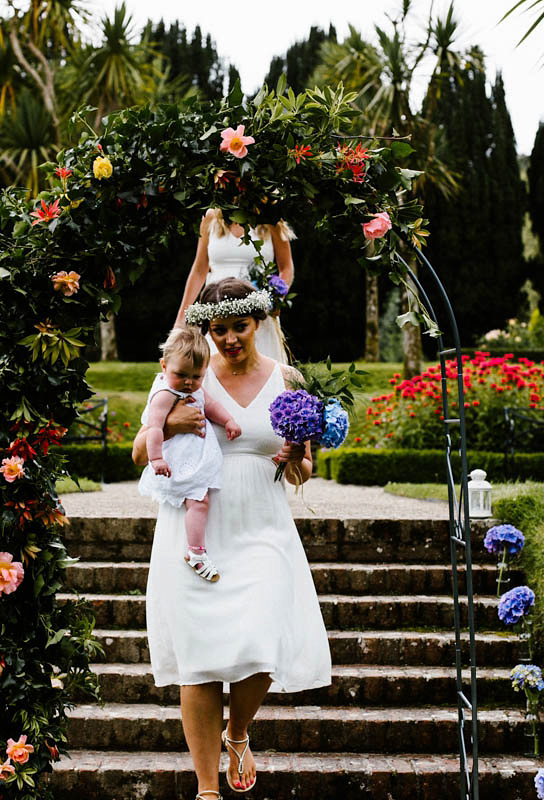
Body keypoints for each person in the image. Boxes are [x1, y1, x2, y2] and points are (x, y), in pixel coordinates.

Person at [133, 278, 330, 800]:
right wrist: (171, 424)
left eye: (239, 327)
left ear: (258, 323)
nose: (229, 339)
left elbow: (304, 470)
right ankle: (205, 788)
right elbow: (139, 452)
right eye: (218, 329)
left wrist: (296, 460)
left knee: (262, 639)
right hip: (196, 528)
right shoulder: (188, 373)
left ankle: (237, 732)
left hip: (262, 524)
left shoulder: (287, 378)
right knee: (198, 661)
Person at [137, 326, 242, 582]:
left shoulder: (194, 389)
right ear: (163, 366)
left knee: (201, 502)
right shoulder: (164, 395)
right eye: (181, 374)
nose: (188, 382)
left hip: (193, 457)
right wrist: (156, 459)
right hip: (175, 461)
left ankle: (197, 550)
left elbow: (211, 405)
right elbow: (153, 429)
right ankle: (196, 552)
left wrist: (228, 421)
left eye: (196, 376)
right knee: (199, 503)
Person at [174, 208, 295, 363]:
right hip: (216, 312)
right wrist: (181, 319)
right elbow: (199, 270)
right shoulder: (211, 217)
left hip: (257, 314)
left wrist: (275, 299)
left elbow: (286, 268)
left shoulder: (270, 218)